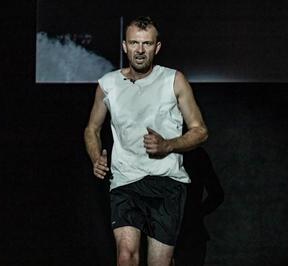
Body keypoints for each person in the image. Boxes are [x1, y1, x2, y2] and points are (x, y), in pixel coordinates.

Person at [84, 16, 208, 266]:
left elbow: (200, 130)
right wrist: (96, 157)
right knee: (126, 255)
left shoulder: (174, 80)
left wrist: (168, 145)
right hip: (125, 180)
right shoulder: (108, 84)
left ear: (157, 47)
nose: (140, 50)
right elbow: (91, 129)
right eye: (134, 43)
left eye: (147, 44)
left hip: (167, 183)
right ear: (124, 46)